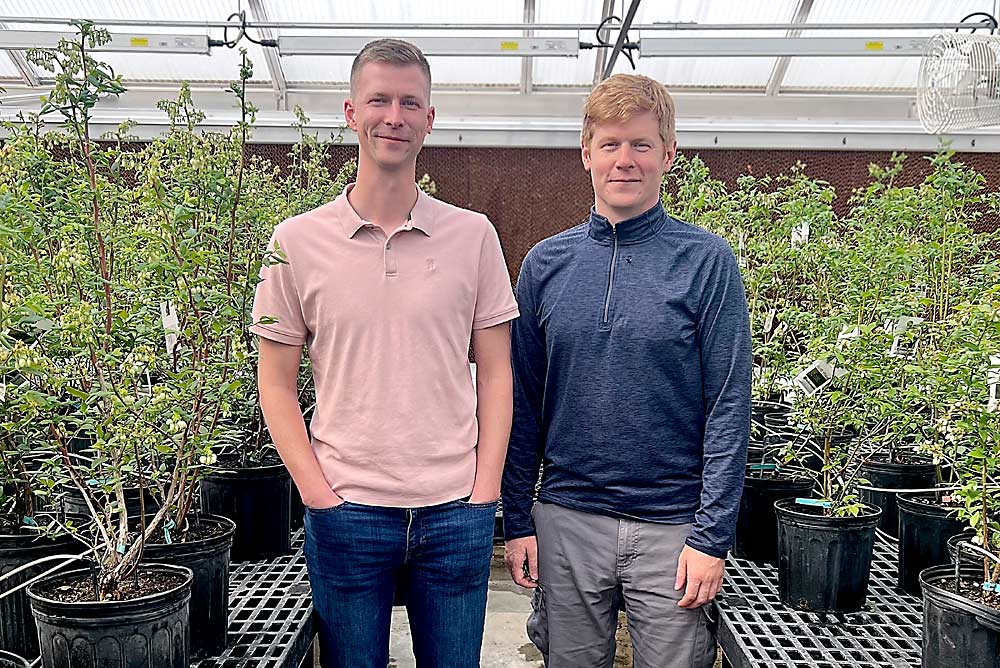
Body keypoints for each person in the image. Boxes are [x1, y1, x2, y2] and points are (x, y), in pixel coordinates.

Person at [251, 39, 518, 668]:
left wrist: (485, 490)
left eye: (409, 103)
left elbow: (498, 372)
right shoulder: (295, 241)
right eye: (379, 100)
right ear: (350, 112)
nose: (393, 116)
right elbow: (276, 383)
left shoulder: (473, 235)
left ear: (430, 119)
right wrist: (316, 492)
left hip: (455, 509)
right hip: (348, 509)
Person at [501, 73, 751, 668]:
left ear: (668, 154)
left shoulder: (706, 262)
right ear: (586, 153)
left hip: (673, 527)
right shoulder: (545, 265)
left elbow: (728, 408)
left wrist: (711, 538)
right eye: (610, 144)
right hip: (566, 522)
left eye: (641, 144)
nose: (625, 160)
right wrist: (517, 519)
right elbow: (522, 402)